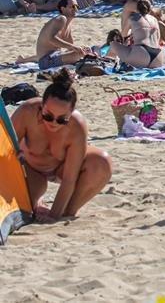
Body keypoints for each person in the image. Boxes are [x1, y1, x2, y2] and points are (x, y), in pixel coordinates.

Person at [11, 71, 112, 221]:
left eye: (61, 120)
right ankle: (37, 201)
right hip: (31, 170)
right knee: (26, 206)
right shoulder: (27, 112)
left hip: (62, 169)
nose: (53, 123)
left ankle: (68, 211)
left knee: (102, 163)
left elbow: (69, 179)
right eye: (48, 116)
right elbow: (5, 147)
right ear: (41, 106)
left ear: (71, 113)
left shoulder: (77, 126)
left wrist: (54, 216)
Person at [24, 0, 92, 70]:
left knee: (85, 50)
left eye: (77, 6)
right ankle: (23, 60)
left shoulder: (67, 23)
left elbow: (70, 45)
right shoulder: (61, 19)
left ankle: (23, 60)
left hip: (53, 55)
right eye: (72, 7)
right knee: (79, 54)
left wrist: (80, 48)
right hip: (46, 60)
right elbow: (51, 39)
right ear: (63, 9)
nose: (76, 9)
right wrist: (74, 48)